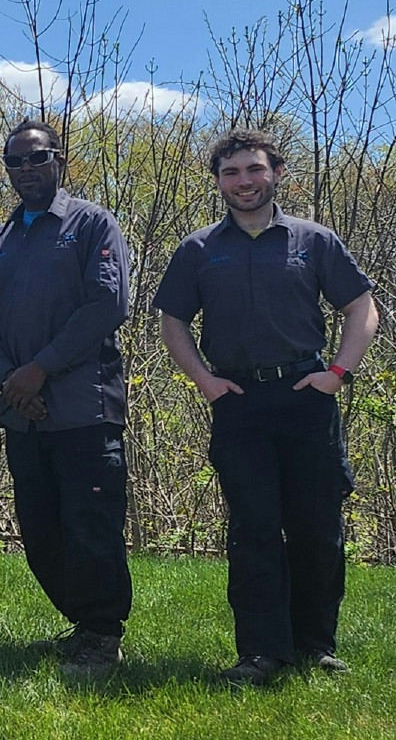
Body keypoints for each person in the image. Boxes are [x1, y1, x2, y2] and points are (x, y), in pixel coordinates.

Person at [155, 129, 377, 687]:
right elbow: (172, 323)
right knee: (253, 531)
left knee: (317, 528)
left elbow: (360, 306)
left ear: (276, 174)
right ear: (218, 182)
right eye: (231, 173)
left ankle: (315, 646)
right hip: (239, 402)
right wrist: (205, 381)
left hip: (307, 397)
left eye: (254, 170)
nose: (244, 181)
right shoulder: (199, 249)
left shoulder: (314, 240)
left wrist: (337, 374)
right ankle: (260, 652)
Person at [0, 118, 132, 680]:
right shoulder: (0, 240)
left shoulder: (91, 225)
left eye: (38, 158)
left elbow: (107, 305)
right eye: (16, 161)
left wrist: (40, 370)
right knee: (39, 528)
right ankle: (82, 620)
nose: (27, 169)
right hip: (23, 412)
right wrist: (11, 380)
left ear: (59, 160)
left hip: (84, 407)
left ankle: (102, 633)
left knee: (92, 523)